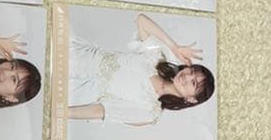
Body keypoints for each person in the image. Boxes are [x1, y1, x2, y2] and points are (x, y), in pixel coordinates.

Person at [68, 12, 214, 127]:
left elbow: (101, 111)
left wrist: (63, 113)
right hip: (80, 54)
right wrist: (174, 47)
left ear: (191, 99)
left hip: (77, 87)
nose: (186, 77)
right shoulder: (157, 58)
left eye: (193, 83)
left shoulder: (150, 112)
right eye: (191, 71)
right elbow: (142, 20)